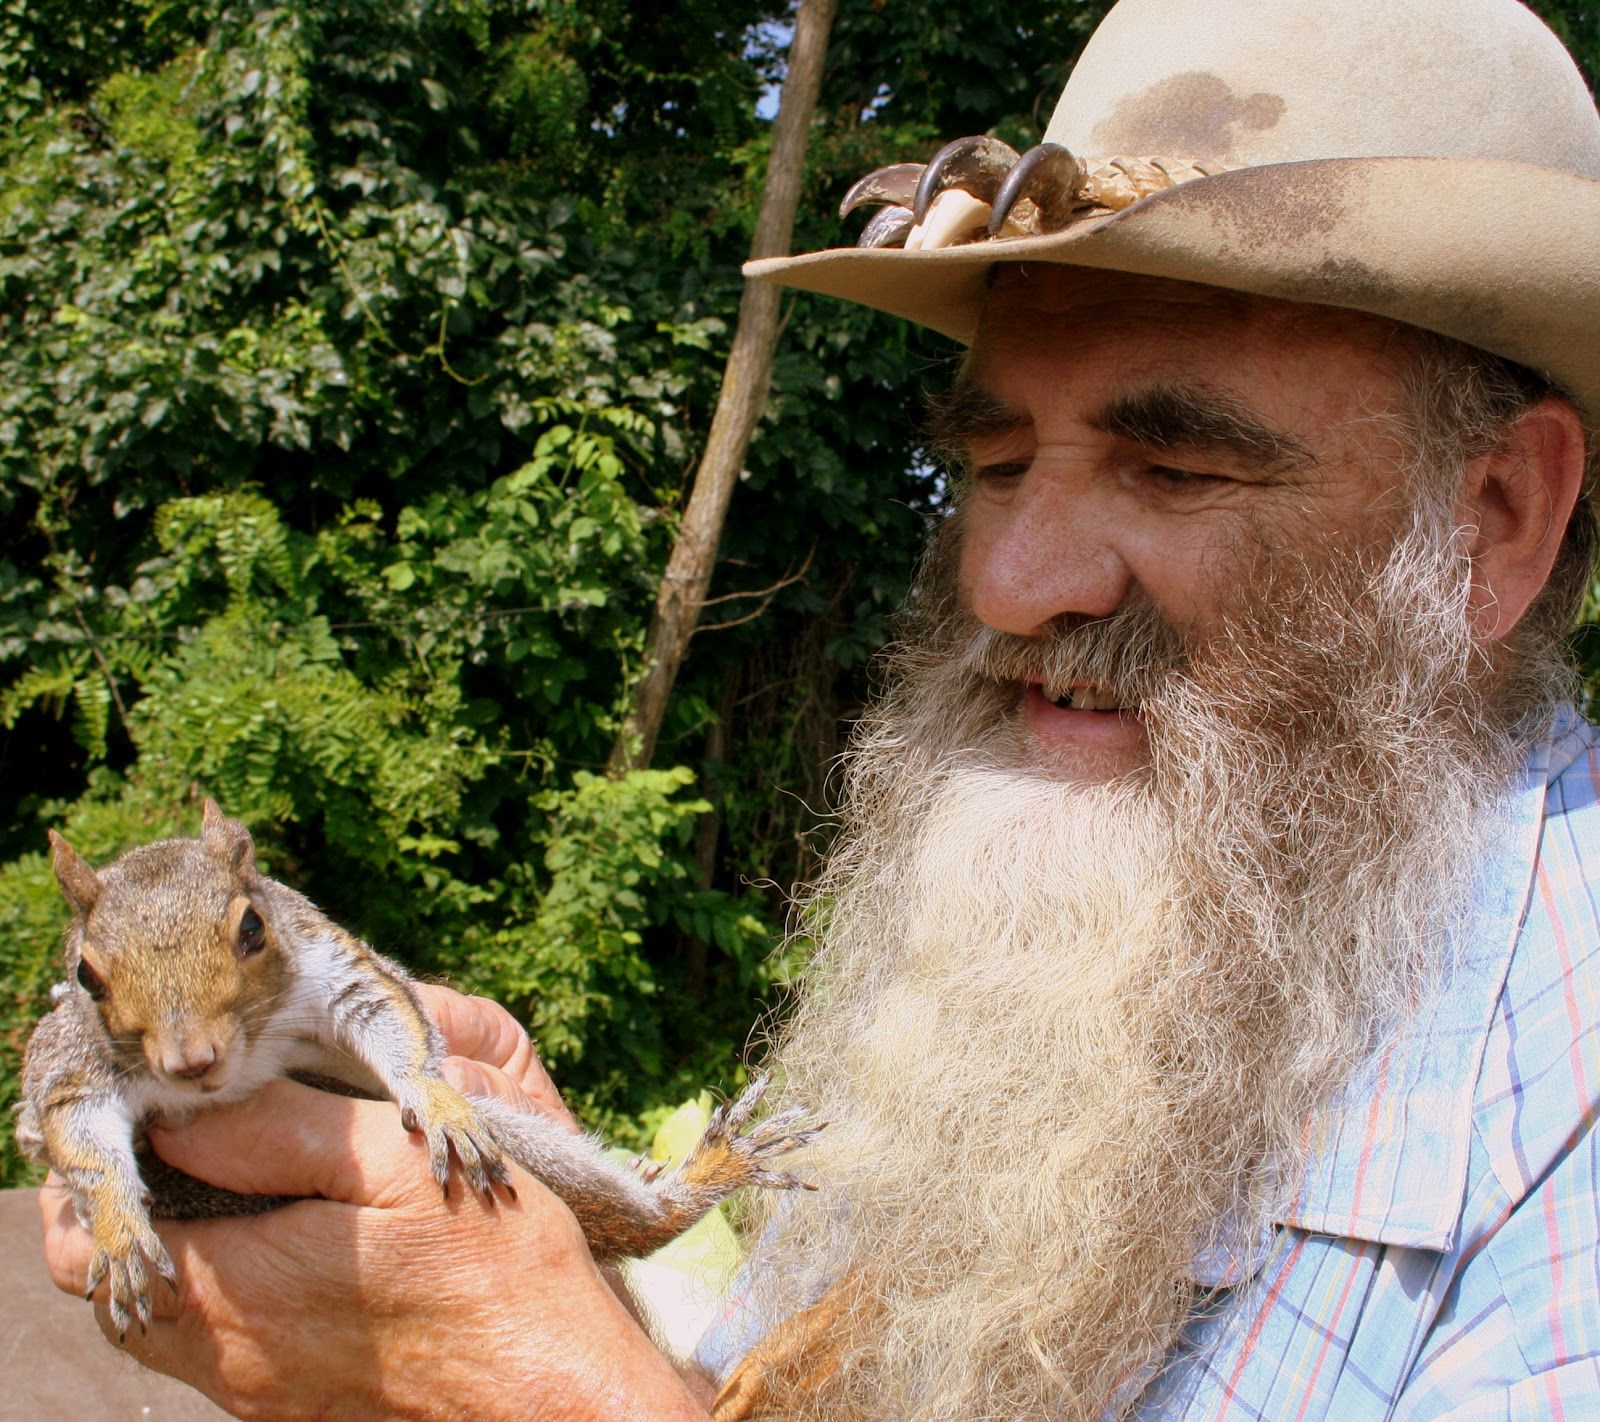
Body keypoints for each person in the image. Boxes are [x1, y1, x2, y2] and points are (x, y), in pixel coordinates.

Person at [37, 0, 1600, 1416]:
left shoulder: (1563, 1130)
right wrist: (566, 1252)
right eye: (992, 464)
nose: (1009, 578)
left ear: (1497, 520)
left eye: (1180, 467)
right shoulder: (1068, 913)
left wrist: (541, 1388)